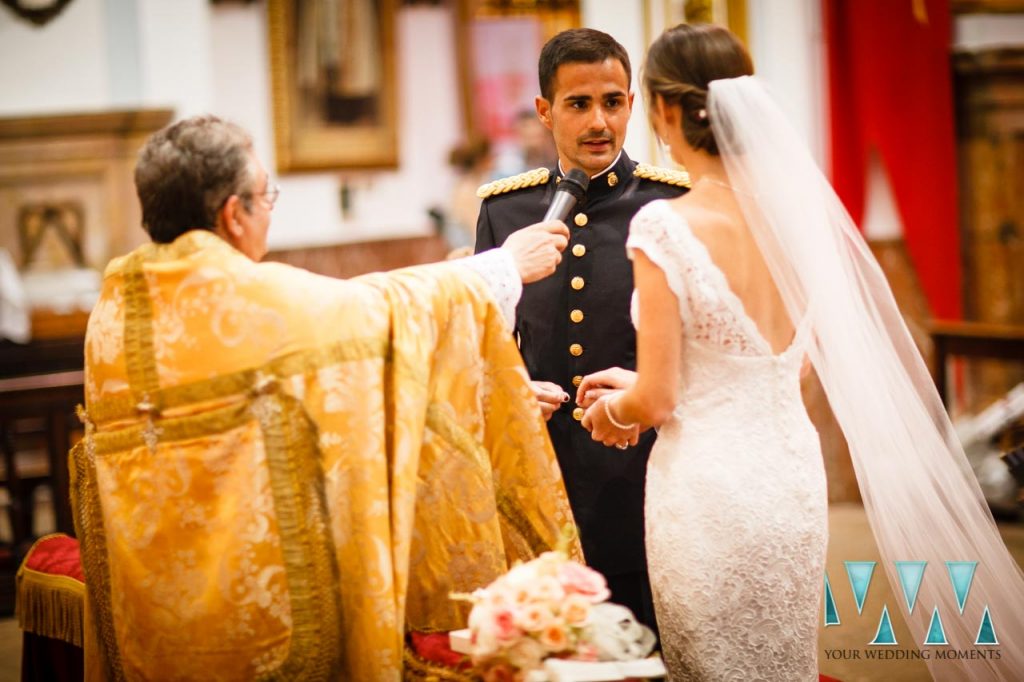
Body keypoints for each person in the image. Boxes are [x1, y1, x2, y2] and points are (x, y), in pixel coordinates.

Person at [579, 23, 1024, 680]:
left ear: (668, 110)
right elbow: (780, 366)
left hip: (709, 493)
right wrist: (644, 379)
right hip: (789, 484)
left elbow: (662, 398)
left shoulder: (665, 224)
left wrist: (612, 411)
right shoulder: (794, 218)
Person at [71, 115, 579, 682]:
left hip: (157, 622)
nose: (270, 208)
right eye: (268, 194)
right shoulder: (247, 299)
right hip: (268, 623)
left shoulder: (116, 313)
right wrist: (503, 267)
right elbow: (378, 319)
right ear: (233, 214)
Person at [474, 28, 689, 632]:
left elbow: (700, 350)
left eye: (613, 102)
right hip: (543, 468)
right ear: (545, 112)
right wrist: (513, 389)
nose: (599, 121)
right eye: (578, 104)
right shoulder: (505, 210)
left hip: (645, 465)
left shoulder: (669, 205)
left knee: (648, 635)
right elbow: (487, 339)